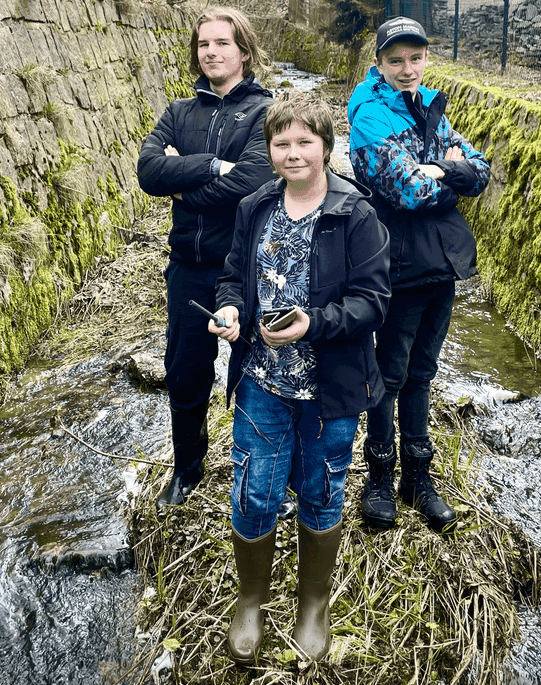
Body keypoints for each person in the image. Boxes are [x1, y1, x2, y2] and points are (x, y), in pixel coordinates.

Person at [209, 93, 390, 665]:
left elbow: (372, 303)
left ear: (326, 147)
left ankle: (313, 604)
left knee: (321, 490)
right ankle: (251, 601)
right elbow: (234, 275)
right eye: (281, 143)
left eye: (304, 142)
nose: (293, 153)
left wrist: (314, 324)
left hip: (330, 391)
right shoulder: (256, 206)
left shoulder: (355, 214)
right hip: (262, 380)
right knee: (254, 491)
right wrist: (232, 310)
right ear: (270, 150)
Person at [347, 16, 491, 534]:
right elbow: (406, 190)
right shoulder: (368, 114)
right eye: (396, 60)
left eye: (416, 58)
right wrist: (444, 172)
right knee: (389, 374)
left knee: (423, 372)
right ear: (380, 64)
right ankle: (380, 477)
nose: (408, 69)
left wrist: (443, 170)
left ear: (426, 58)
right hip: (397, 262)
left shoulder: (429, 104)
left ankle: (418, 478)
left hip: (442, 263)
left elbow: (481, 169)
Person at [136, 7, 275, 507]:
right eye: (203, 44)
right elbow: (149, 171)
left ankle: (252, 470)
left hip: (243, 270)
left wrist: (185, 183)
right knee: (185, 371)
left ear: (244, 50)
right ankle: (187, 469)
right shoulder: (179, 112)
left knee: (250, 371)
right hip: (188, 270)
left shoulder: (265, 113)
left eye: (222, 43)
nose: (211, 52)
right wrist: (214, 165)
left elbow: (254, 185)